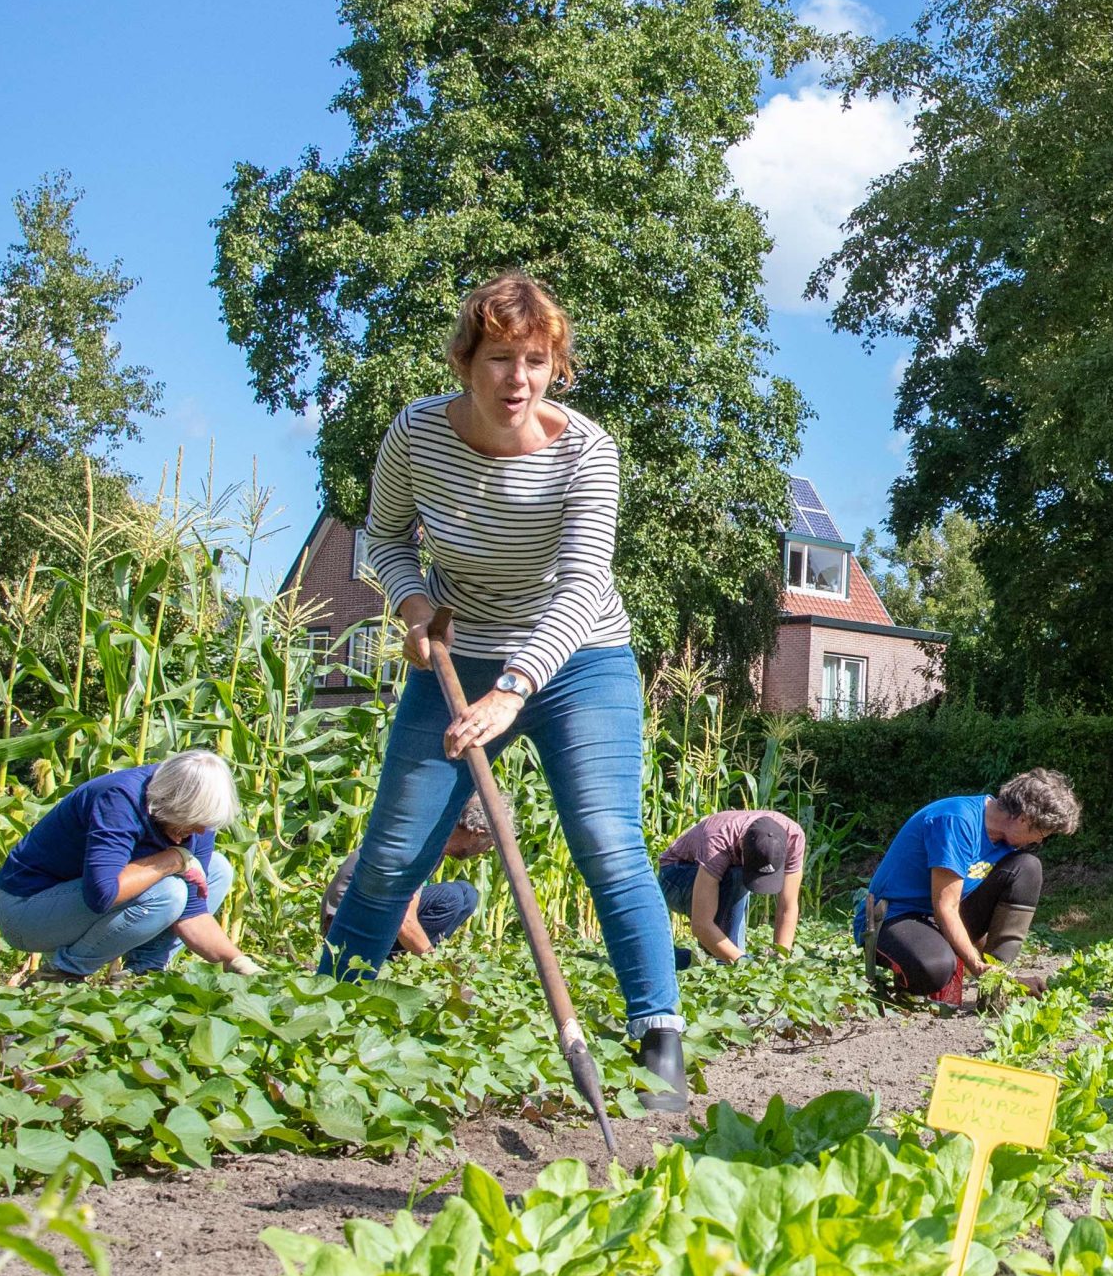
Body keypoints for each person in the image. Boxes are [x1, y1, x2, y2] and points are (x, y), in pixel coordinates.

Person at [320, 272, 688, 1111]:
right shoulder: (416, 434)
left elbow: (583, 581)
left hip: (577, 658)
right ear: (465, 361)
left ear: (556, 364)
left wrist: (516, 689)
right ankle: (326, 1016)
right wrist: (413, 606)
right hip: (459, 655)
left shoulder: (586, 451)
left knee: (603, 834)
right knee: (393, 852)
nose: (516, 379)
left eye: (534, 359)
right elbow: (384, 535)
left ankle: (658, 1034)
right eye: (497, 359)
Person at [0, 751, 263, 983]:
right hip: (26, 912)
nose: (200, 831)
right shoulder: (119, 799)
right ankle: (62, 975)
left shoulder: (198, 817)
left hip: (71, 906)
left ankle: (144, 976)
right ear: (171, 803)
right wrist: (173, 859)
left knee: (217, 869)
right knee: (169, 890)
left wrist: (239, 964)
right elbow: (102, 894)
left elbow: (191, 913)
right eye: (194, 823)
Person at [865, 770, 1081, 1004]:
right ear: (1024, 819)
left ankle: (995, 990)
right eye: (1042, 833)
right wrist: (976, 966)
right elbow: (946, 907)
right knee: (935, 969)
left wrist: (1000, 973)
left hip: (937, 920)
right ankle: (911, 982)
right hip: (893, 917)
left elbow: (976, 909)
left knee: (1027, 867)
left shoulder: (1006, 841)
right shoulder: (956, 821)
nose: (1040, 841)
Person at [319, 793, 494, 957]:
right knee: (451, 897)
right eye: (490, 843)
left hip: (370, 916)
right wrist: (436, 965)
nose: (488, 851)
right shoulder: (419, 847)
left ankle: (406, 958)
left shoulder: (435, 842)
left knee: (466, 893)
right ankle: (386, 959)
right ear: (475, 834)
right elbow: (405, 921)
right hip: (343, 930)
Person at [660, 808, 805, 970]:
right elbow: (701, 924)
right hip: (675, 877)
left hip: (721, 875)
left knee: (727, 955)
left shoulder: (794, 837)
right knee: (727, 961)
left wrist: (781, 957)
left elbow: (788, 907)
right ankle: (667, 958)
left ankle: (716, 959)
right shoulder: (718, 841)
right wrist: (744, 962)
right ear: (741, 847)